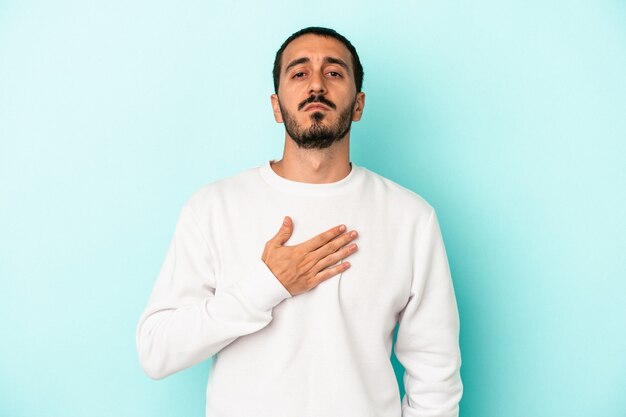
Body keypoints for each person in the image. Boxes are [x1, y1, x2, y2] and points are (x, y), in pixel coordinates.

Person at [136, 26, 463, 417]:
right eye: (299, 72)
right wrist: (266, 285)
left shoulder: (411, 218)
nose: (317, 85)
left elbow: (435, 374)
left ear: (358, 105)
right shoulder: (213, 207)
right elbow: (157, 350)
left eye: (334, 72)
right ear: (276, 106)